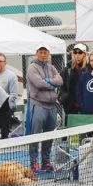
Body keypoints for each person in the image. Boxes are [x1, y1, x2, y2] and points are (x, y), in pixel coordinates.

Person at [26, 45, 63, 173]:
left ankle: (46, 163)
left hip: (52, 106)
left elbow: (60, 81)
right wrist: (52, 83)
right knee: (35, 135)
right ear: (37, 53)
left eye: (45, 52)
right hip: (38, 105)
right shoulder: (32, 67)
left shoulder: (51, 67)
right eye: (41, 52)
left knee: (49, 136)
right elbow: (38, 83)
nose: (43, 54)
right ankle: (34, 163)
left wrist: (48, 80)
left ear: (48, 53)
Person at [0, 53, 19, 139]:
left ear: (5, 63)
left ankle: (4, 137)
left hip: (6, 108)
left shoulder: (11, 76)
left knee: (5, 114)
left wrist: (1, 103)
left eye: (0, 61)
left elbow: (14, 95)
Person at [61, 43, 89, 115]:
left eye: (80, 52)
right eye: (75, 53)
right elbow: (62, 86)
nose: (77, 55)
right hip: (71, 107)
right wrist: (65, 100)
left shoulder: (89, 68)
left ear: (84, 54)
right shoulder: (68, 69)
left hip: (86, 106)